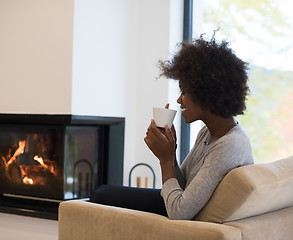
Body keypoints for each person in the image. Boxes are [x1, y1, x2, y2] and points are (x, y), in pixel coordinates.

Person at [91, 35, 254, 220]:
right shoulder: (209, 132)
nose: (179, 100)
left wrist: (165, 159)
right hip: (179, 203)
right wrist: (172, 150)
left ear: (207, 94)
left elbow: (179, 211)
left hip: (181, 212)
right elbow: (183, 184)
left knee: (101, 195)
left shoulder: (229, 145)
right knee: (102, 192)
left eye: (183, 92)